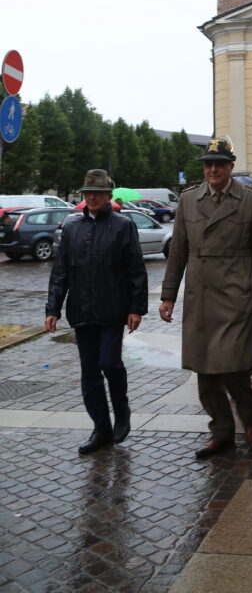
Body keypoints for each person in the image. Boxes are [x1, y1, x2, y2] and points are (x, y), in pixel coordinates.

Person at [159, 137, 252, 459]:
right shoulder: (188, 200)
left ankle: (251, 420)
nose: (212, 169)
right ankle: (221, 432)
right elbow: (178, 253)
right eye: (207, 164)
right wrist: (168, 295)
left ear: (230, 167)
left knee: (232, 365)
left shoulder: (251, 200)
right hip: (200, 294)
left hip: (237, 292)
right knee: (205, 369)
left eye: (219, 164)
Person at [45, 169, 148, 455]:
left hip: (112, 309)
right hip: (81, 310)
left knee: (110, 363)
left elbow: (135, 269)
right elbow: (60, 272)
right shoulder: (72, 228)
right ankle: (100, 428)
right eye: (87, 193)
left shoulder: (123, 225)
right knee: (89, 371)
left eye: (97, 193)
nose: (91, 197)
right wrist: (52, 308)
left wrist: (136, 308)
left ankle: (122, 409)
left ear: (108, 197)